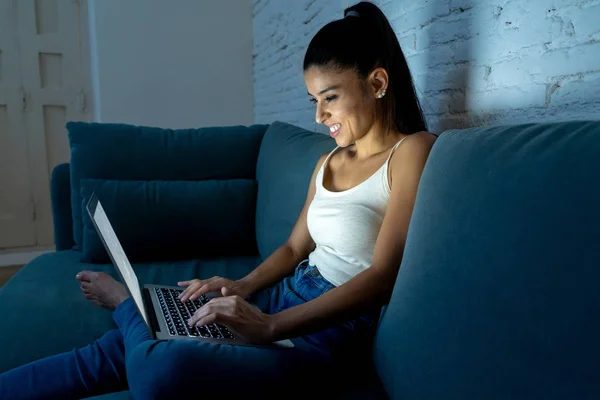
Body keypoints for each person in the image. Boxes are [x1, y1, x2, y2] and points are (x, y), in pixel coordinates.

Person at [0, 2, 436, 398]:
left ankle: (127, 307)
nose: (318, 116)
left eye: (330, 98)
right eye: (313, 100)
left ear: (377, 82)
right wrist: (242, 289)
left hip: (326, 332)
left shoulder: (411, 151)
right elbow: (292, 249)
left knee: (161, 368)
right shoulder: (328, 161)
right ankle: (139, 319)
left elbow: (382, 276)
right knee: (122, 347)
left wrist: (269, 327)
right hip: (284, 294)